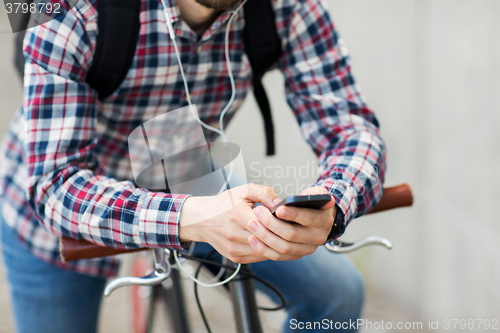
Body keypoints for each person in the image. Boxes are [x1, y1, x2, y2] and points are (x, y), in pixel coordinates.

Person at [0, 0, 386, 332]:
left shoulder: (285, 8)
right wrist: (190, 216)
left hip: (181, 168)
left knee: (337, 295)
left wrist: (334, 202)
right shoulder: (75, 9)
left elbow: (352, 129)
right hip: (57, 210)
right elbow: (55, 186)